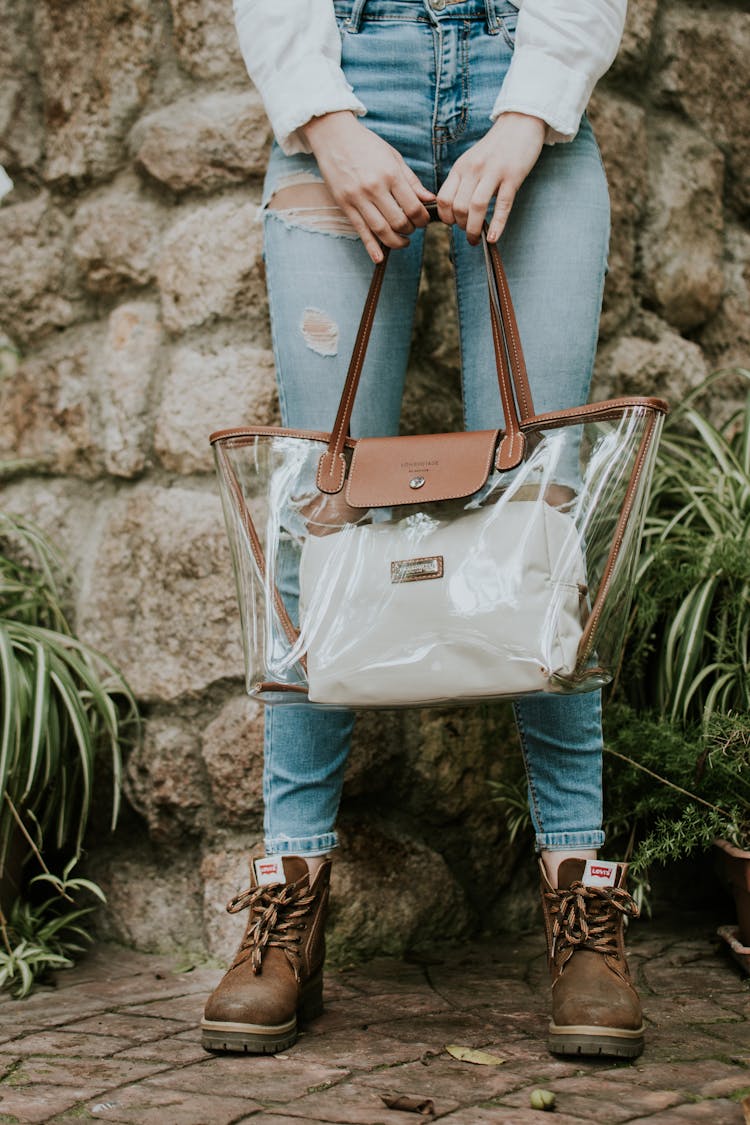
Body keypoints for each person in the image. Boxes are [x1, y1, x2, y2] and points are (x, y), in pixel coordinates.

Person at [201, 0, 644, 1061]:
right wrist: (323, 117)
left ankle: (582, 905)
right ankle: (288, 904)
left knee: (547, 502)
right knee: (320, 498)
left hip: (520, 78)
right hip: (349, 78)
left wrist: (529, 115)